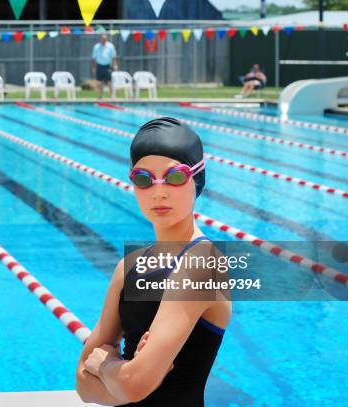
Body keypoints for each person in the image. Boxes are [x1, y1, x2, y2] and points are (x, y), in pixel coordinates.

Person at [76, 118, 231, 406]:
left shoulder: (203, 263)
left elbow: (134, 386)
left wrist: (106, 364)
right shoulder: (130, 265)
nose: (159, 191)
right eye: (144, 179)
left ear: (197, 179)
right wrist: (127, 374)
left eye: (174, 177)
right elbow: (83, 388)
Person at [91, 34, 118, 99]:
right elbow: (93, 58)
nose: (104, 41)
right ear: (100, 39)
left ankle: (112, 96)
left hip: (107, 66)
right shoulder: (96, 47)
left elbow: (113, 57)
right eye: (103, 39)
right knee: (99, 82)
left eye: (105, 39)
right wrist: (93, 68)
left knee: (109, 81)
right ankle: (100, 96)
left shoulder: (110, 46)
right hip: (99, 66)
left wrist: (115, 65)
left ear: (107, 39)